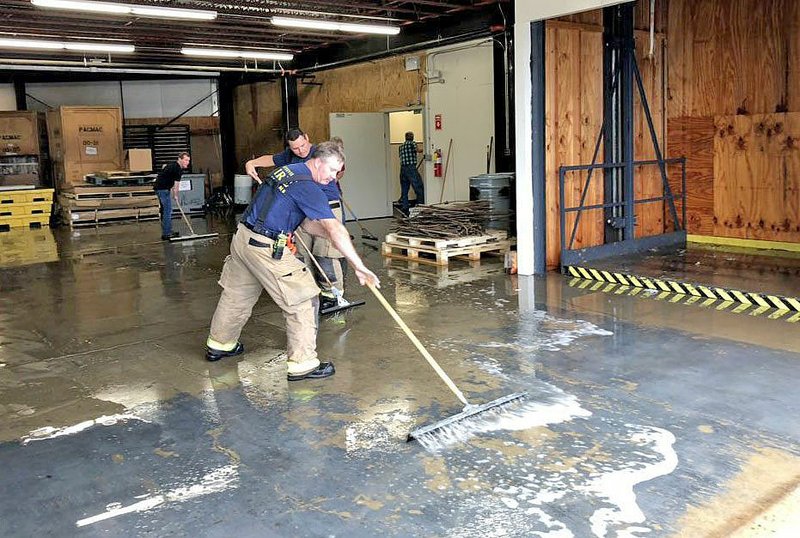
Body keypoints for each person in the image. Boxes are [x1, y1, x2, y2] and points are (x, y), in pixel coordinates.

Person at [205, 141, 380, 381]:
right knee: (303, 299)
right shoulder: (309, 187)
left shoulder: (287, 171)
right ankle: (303, 363)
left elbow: (305, 222)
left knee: (236, 295)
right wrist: (359, 266)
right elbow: (333, 227)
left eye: (338, 172)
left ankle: (220, 344)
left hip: (244, 239)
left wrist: (331, 234)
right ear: (318, 162)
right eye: (331, 170)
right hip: (266, 247)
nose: (333, 177)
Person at [295, 136, 348, 312]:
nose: (299, 150)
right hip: (304, 213)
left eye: (302, 146)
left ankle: (334, 295)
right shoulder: (292, 158)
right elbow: (271, 159)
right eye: (295, 147)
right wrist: (252, 164)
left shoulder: (321, 155)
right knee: (303, 255)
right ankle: (312, 292)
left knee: (325, 254)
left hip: (327, 208)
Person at [245, 128, 313, 184]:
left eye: (302, 145)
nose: (301, 150)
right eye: (295, 149)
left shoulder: (320, 153)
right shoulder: (288, 154)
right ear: (289, 147)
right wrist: (251, 163)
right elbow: (270, 159)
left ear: (306, 137)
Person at [154, 152, 190, 240]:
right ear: (180, 159)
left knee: (165, 210)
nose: (187, 162)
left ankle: (167, 231)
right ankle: (167, 233)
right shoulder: (178, 169)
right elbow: (176, 185)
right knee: (167, 210)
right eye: (185, 160)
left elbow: (164, 167)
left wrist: (173, 193)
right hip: (162, 189)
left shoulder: (173, 165)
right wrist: (175, 195)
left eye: (188, 160)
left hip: (159, 188)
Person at [398, 131, 424, 215]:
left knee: (404, 189)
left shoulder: (401, 146)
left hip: (403, 169)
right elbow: (418, 150)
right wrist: (426, 149)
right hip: (411, 168)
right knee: (418, 187)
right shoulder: (412, 143)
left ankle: (405, 206)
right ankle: (420, 205)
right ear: (412, 137)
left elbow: (400, 157)